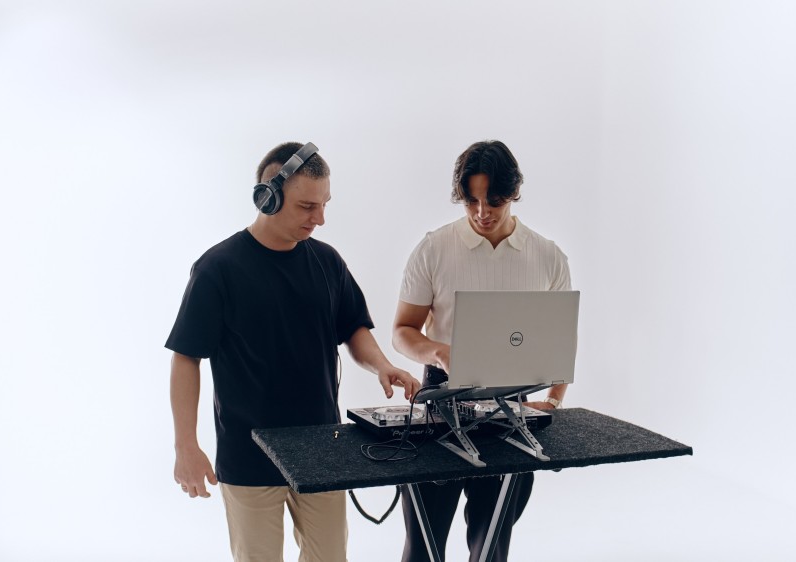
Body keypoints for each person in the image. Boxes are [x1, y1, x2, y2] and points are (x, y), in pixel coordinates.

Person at [167, 142, 420, 562]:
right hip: (249, 456)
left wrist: (381, 364)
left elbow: (353, 327)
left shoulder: (328, 261)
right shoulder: (217, 269)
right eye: (307, 206)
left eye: (324, 205)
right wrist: (185, 446)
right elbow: (186, 356)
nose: (319, 219)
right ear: (267, 197)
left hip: (323, 450)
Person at [392, 140, 572, 562]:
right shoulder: (434, 248)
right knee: (422, 546)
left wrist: (553, 401)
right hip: (441, 403)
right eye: (471, 201)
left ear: (514, 192)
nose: (481, 212)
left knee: (491, 546)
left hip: (513, 408)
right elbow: (402, 331)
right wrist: (440, 352)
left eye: (493, 201)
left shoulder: (548, 256)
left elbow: (561, 340)